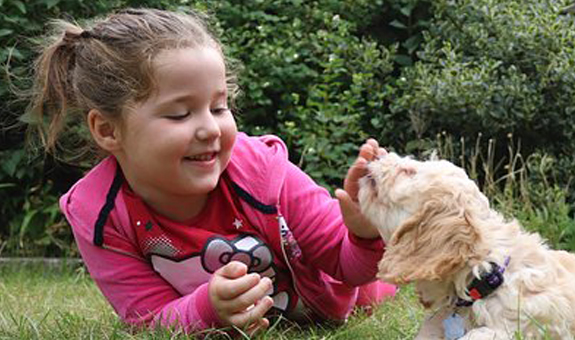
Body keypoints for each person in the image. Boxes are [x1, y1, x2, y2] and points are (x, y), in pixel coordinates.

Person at [26, 8, 395, 334]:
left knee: (380, 288)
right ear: (108, 130)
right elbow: (149, 321)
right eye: (179, 114)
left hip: (346, 295)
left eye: (219, 108)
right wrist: (208, 310)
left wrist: (364, 234)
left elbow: (348, 265)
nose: (210, 129)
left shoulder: (264, 173)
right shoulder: (101, 215)